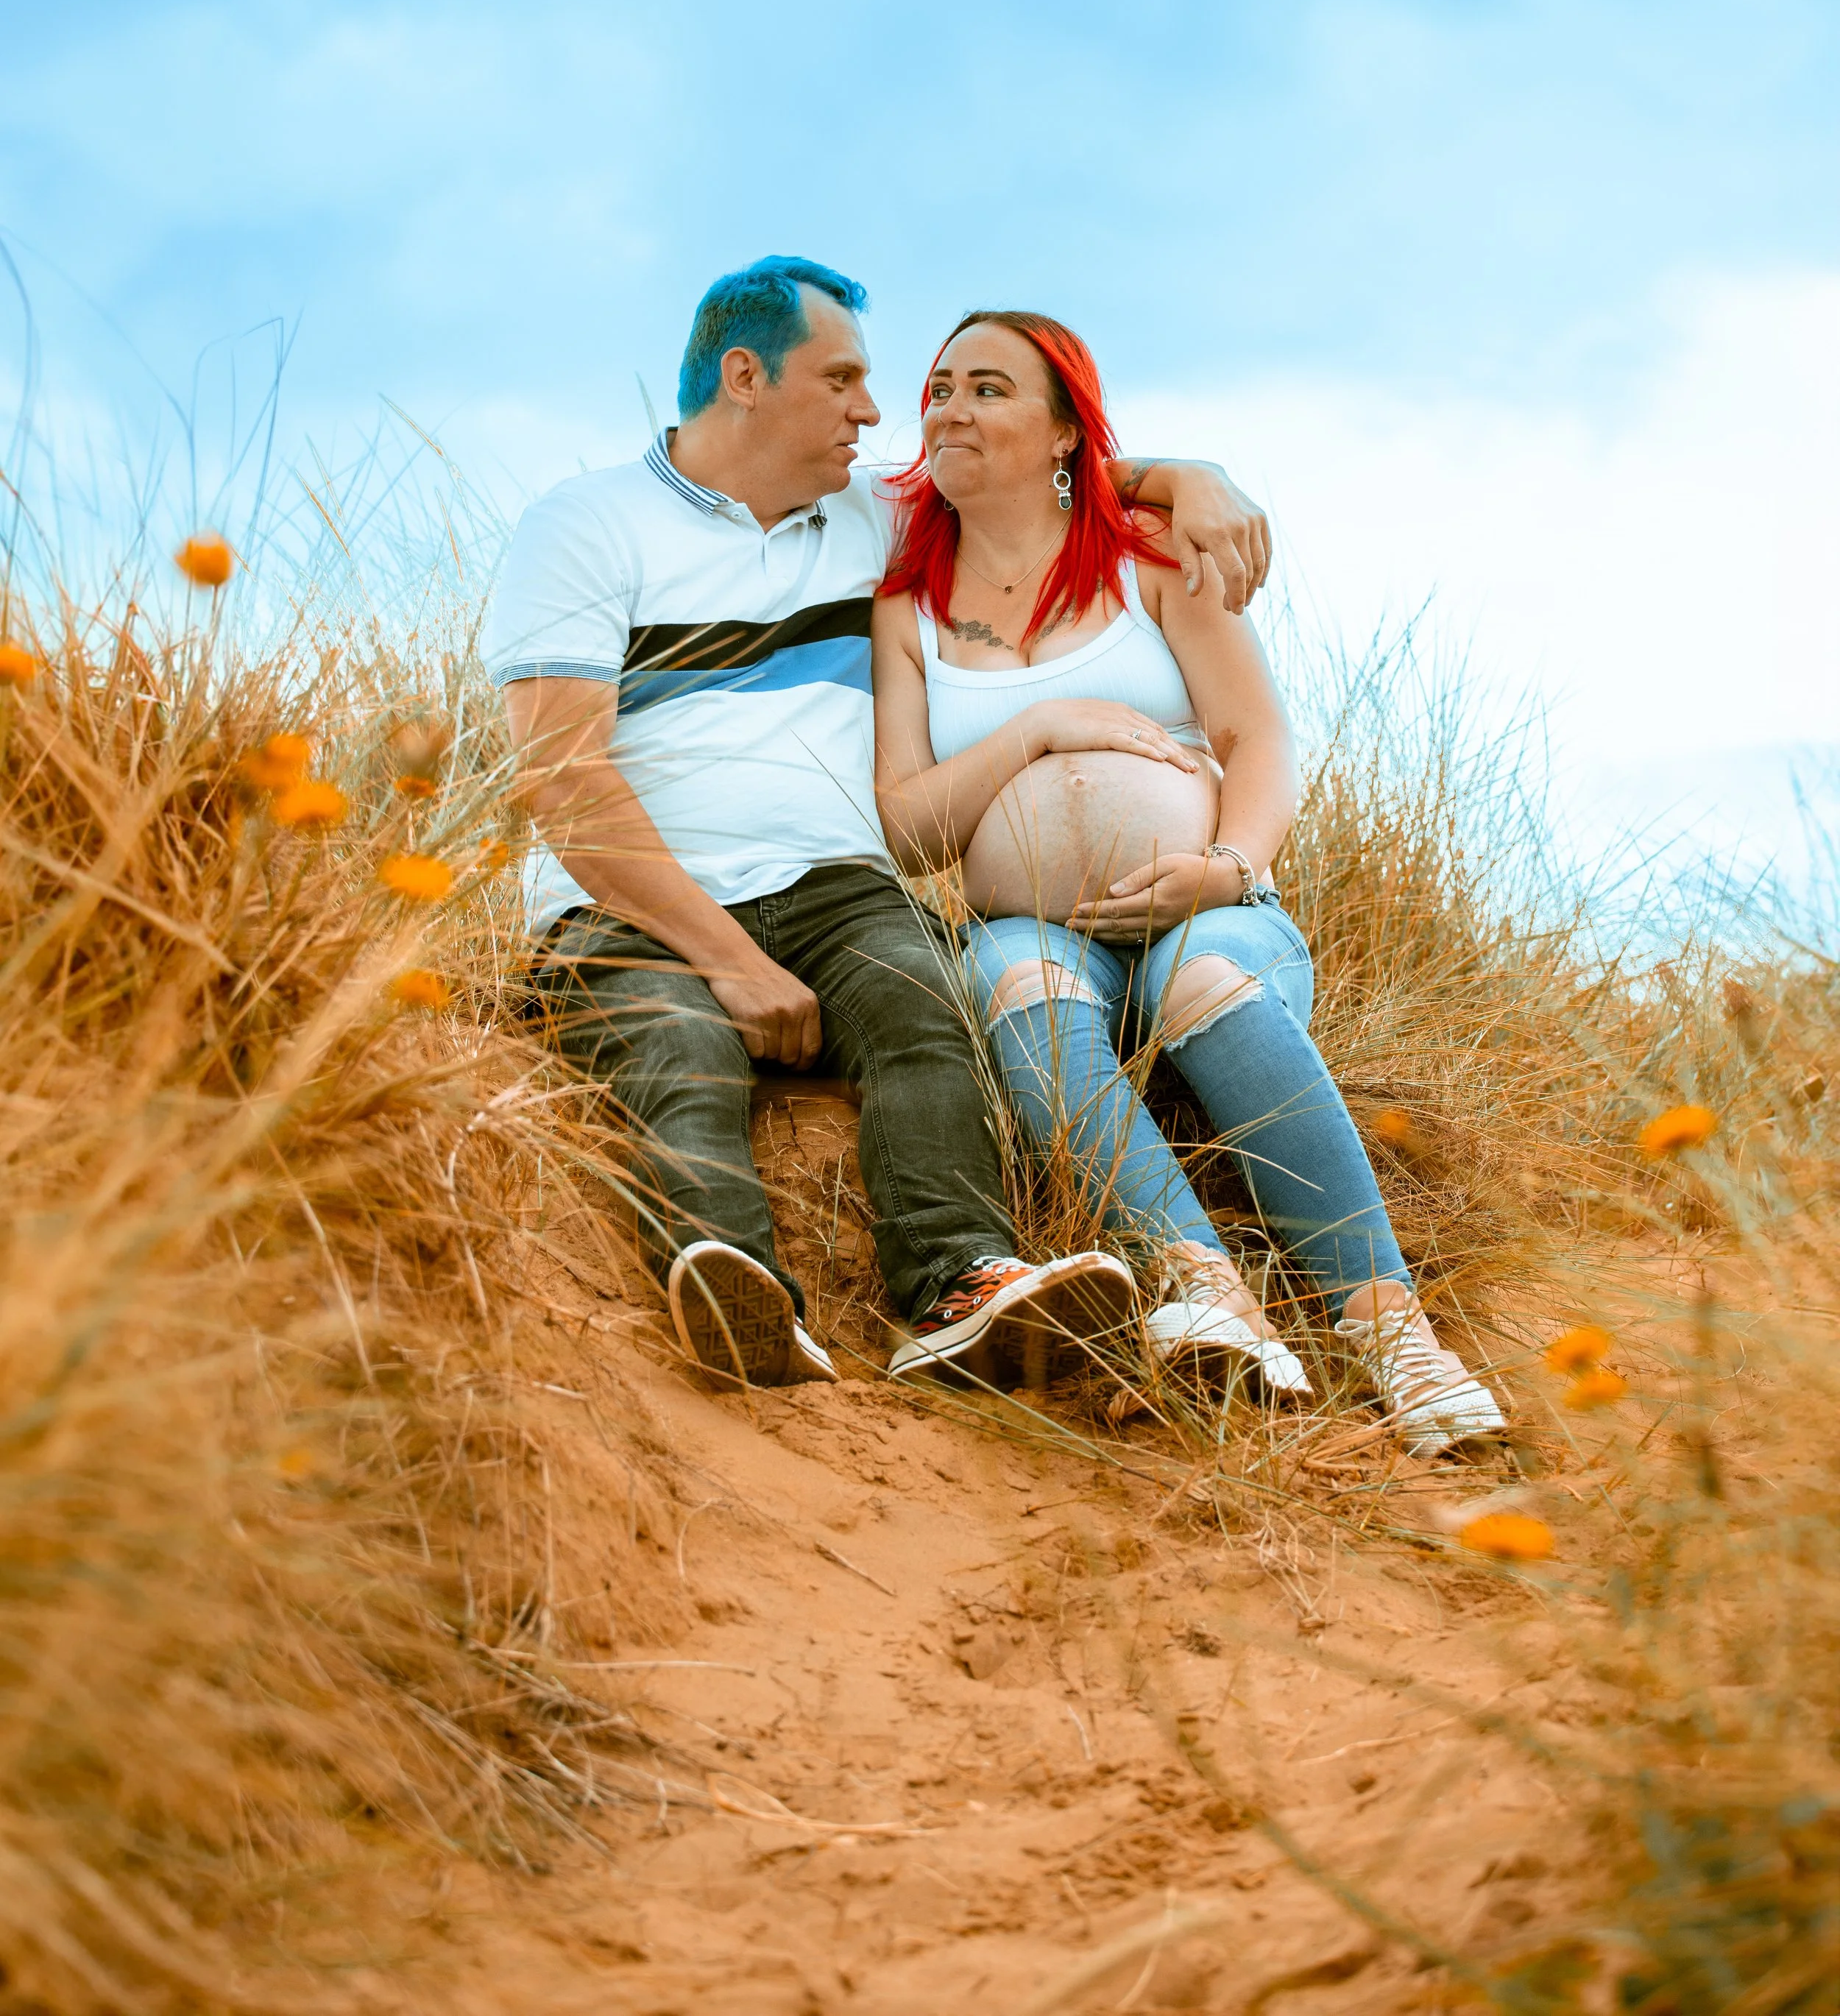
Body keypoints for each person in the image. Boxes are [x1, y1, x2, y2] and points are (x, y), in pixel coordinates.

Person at [484, 255, 1273, 1396]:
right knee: (679, 1048)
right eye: (844, 377)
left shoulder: (871, 517)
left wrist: (1184, 476)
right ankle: (736, 1286)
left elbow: (1025, 468)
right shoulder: (583, 525)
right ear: (745, 377)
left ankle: (961, 1285)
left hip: (833, 881)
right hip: (627, 896)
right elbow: (562, 781)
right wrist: (730, 963)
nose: (875, 408)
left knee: (923, 1015)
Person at [871, 309, 1508, 1456]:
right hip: (1032, 922)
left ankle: (1394, 1336)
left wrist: (1226, 868)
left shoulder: (1153, 556)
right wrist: (1038, 732)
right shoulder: (904, 597)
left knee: (1202, 979)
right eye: (938, 387)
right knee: (1010, 985)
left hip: (1210, 904)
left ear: (1066, 429)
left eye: (988, 389)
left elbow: (1256, 740)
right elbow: (910, 826)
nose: (950, 409)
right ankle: (1204, 1289)